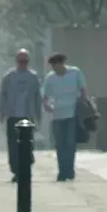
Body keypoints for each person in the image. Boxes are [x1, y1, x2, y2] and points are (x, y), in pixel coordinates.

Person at [41, 52, 87, 181]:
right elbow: (45, 96)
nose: (55, 68)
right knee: (60, 144)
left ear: (63, 63)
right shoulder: (50, 78)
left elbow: (83, 89)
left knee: (70, 143)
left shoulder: (75, 73)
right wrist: (46, 105)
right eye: (53, 66)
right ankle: (62, 171)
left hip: (72, 113)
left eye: (56, 65)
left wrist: (82, 103)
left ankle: (69, 170)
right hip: (57, 114)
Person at [0, 49, 41, 182]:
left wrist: (38, 114)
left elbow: (37, 96)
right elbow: (3, 94)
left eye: (25, 61)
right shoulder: (9, 76)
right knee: (13, 144)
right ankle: (16, 170)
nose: (23, 64)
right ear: (16, 61)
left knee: (28, 144)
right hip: (13, 116)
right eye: (21, 61)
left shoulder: (33, 77)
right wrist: (2, 112)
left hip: (27, 116)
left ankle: (27, 167)